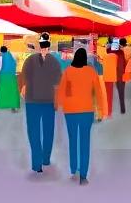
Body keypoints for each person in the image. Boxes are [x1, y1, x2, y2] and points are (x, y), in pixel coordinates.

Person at [56, 47, 107, 184]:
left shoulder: (68, 72)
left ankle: (74, 169)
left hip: (70, 111)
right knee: (85, 142)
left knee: (73, 140)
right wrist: (101, 110)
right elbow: (98, 92)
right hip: (86, 111)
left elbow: (62, 91)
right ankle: (83, 175)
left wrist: (59, 104)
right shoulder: (91, 72)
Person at [20, 33, 63, 173]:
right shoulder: (55, 62)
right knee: (47, 130)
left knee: (34, 131)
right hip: (47, 101)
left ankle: (39, 162)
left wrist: (23, 88)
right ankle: (44, 159)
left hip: (33, 101)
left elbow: (22, 78)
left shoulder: (30, 60)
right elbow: (59, 82)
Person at [114, 37, 131, 114]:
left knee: (121, 91)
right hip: (129, 71)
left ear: (120, 44)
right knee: (122, 88)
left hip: (120, 72)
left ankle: (122, 108)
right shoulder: (130, 49)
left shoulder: (119, 51)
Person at [0, 45, 21, 112]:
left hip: (3, 75)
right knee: (12, 91)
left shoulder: (0, 56)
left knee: (3, 90)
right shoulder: (11, 55)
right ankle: (13, 106)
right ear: (6, 50)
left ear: (1, 50)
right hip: (11, 75)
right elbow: (15, 62)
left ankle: (3, 104)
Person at [98, 39, 119, 118]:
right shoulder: (113, 53)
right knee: (108, 95)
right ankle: (107, 112)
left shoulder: (102, 51)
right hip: (109, 76)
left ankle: (104, 112)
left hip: (104, 75)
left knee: (102, 95)